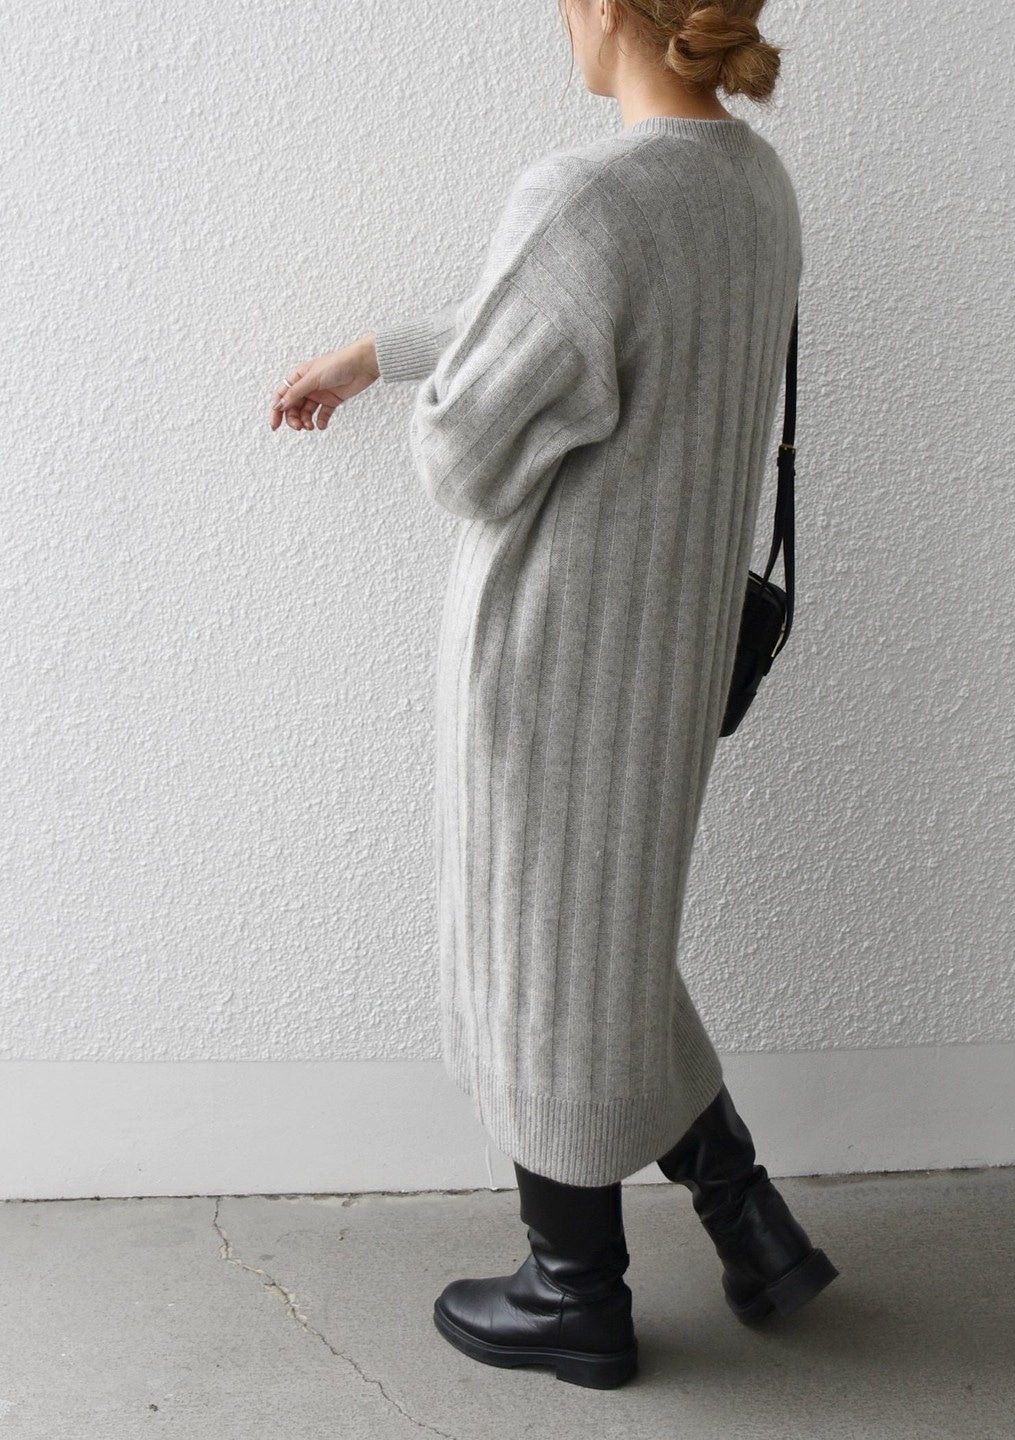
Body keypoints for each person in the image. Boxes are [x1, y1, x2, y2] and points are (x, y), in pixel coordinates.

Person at [268, 0, 838, 1389]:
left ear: (608, 6)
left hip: (556, 663)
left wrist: (428, 397)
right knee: (609, 947)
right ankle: (749, 1222)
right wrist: (381, 350)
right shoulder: (753, 184)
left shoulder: (585, 195)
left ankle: (574, 1291)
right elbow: (577, 317)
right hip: (668, 657)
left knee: (538, 960)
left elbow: (464, 458)